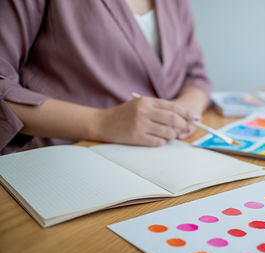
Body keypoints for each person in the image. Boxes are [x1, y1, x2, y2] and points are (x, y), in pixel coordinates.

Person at [0, 0, 212, 155]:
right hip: (68, 155)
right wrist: (102, 122)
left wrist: (187, 109)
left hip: (166, 154)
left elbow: (195, 74)